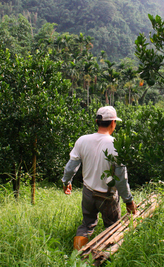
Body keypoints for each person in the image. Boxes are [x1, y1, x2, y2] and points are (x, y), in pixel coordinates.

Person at [62, 105, 136, 250]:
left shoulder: (82, 140)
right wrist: (129, 201)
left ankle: (77, 258)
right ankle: (106, 259)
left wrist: (66, 182)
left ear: (97, 122)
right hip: (107, 196)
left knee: (86, 225)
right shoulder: (116, 145)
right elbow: (121, 179)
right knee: (113, 228)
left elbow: (71, 167)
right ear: (113, 123)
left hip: (88, 192)